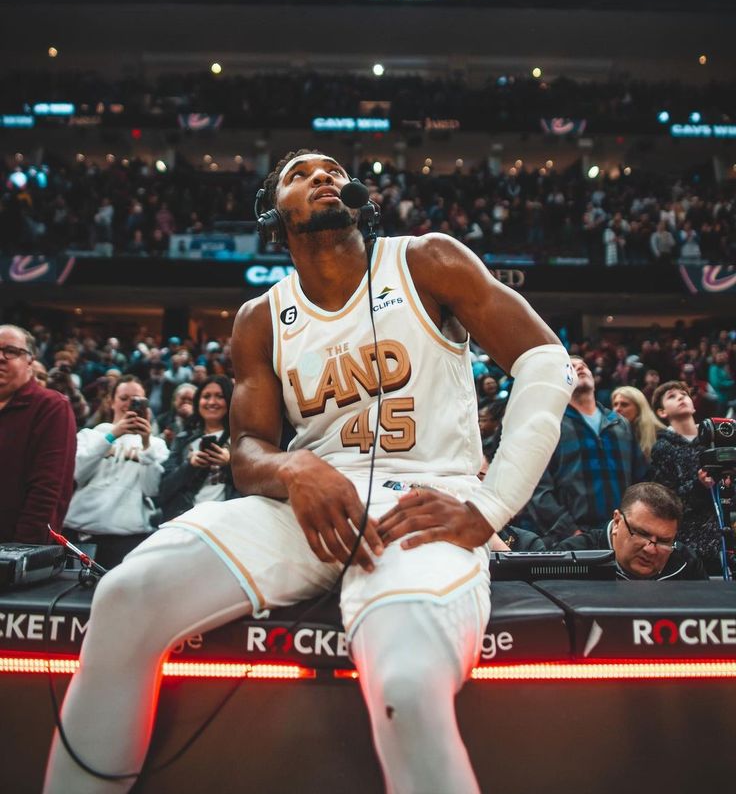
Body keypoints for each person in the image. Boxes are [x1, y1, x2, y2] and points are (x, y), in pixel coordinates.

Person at [45, 149, 574, 794]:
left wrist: (491, 507)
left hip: (427, 500)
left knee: (406, 681)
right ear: (274, 214)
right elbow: (247, 454)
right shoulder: (260, 317)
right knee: (125, 597)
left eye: (331, 169)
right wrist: (295, 470)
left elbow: (546, 361)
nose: (322, 176)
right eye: (299, 173)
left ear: (355, 196)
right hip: (310, 504)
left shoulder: (426, 259)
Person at [521, 356, 647, 546]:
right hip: (574, 535)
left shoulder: (619, 422)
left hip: (621, 532)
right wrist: (569, 530)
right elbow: (537, 488)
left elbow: (641, 479)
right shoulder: (547, 423)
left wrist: (636, 525)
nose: (579, 367)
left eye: (583, 365)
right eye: (570, 366)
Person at [63, 374, 170, 569]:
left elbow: (151, 489)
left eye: (138, 400)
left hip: (127, 537)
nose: (130, 404)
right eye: (124, 398)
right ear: (111, 402)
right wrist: (111, 436)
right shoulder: (90, 435)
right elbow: (77, 474)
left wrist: (146, 444)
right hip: (80, 533)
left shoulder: (156, 444)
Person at [0, 324, 76, 544]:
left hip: (12, 554)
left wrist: (21, 553)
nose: (1, 357)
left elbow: (46, 491)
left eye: (11, 351)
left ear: (30, 361)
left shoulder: (51, 407)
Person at [648, 380, 732, 576]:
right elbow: (665, 501)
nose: (680, 397)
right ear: (662, 412)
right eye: (672, 396)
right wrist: (699, 486)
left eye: (684, 394)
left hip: (726, 537)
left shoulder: (715, 440)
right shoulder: (662, 449)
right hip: (690, 544)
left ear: (693, 404)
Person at [555, 481, 708, 580]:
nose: (651, 550)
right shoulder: (573, 557)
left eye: (663, 541)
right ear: (616, 522)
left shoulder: (686, 563)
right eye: (641, 534)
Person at [158, 375, 235, 522]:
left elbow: (255, 486)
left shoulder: (242, 440)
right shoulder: (182, 440)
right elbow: (163, 490)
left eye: (220, 396)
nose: (212, 402)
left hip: (225, 522)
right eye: (206, 396)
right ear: (198, 402)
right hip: (187, 521)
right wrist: (190, 466)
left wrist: (229, 464)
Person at [611, 385, 664, 460]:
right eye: (615, 404)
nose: (617, 409)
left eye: (624, 404)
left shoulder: (660, 435)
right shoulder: (609, 435)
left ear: (639, 409)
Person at [154, 381, 196, 447]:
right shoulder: (161, 420)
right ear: (174, 401)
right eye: (183, 398)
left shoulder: (201, 421)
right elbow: (152, 441)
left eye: (190, 400)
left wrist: (191, 418)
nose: (186, 402)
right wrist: (164, 438)